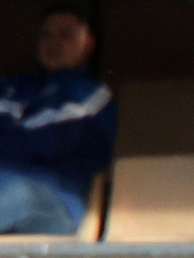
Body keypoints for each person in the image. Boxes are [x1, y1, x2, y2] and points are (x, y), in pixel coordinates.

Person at [0, 3, 116, 235]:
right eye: (47, 35)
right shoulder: (9, 87)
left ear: (89, 43)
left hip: (56, 202)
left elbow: (55, 142)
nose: (54, 42)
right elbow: (36, 141)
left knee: (15, 190)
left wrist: (12, 137)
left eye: (66, 35)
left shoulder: (93, 95)